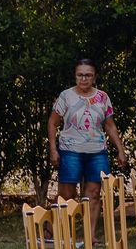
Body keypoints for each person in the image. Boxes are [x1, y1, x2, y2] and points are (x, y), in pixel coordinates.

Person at [47, 58, 128, 232]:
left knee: (94, 194)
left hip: (97, 152)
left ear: (94, 77)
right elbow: (53, 123)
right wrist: (53, 150)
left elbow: (109, 125)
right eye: (80, 75)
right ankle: (51, 227)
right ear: (75, 76)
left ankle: (90, 235)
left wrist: (120, 149)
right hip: (70, 152)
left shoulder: (102, 97)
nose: (84, 79)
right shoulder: (66, 96)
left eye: (88, 75)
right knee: (67, 194)